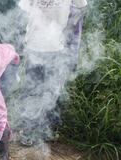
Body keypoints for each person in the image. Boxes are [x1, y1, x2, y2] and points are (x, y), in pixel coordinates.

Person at [17, 0, 88, 146]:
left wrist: (68, 33)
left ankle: (46, 129)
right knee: (33, 90)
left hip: (56, 47)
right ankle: (29, 130)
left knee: (52, 90)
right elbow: (22, 12)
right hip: (34, 46)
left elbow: (80, 9)